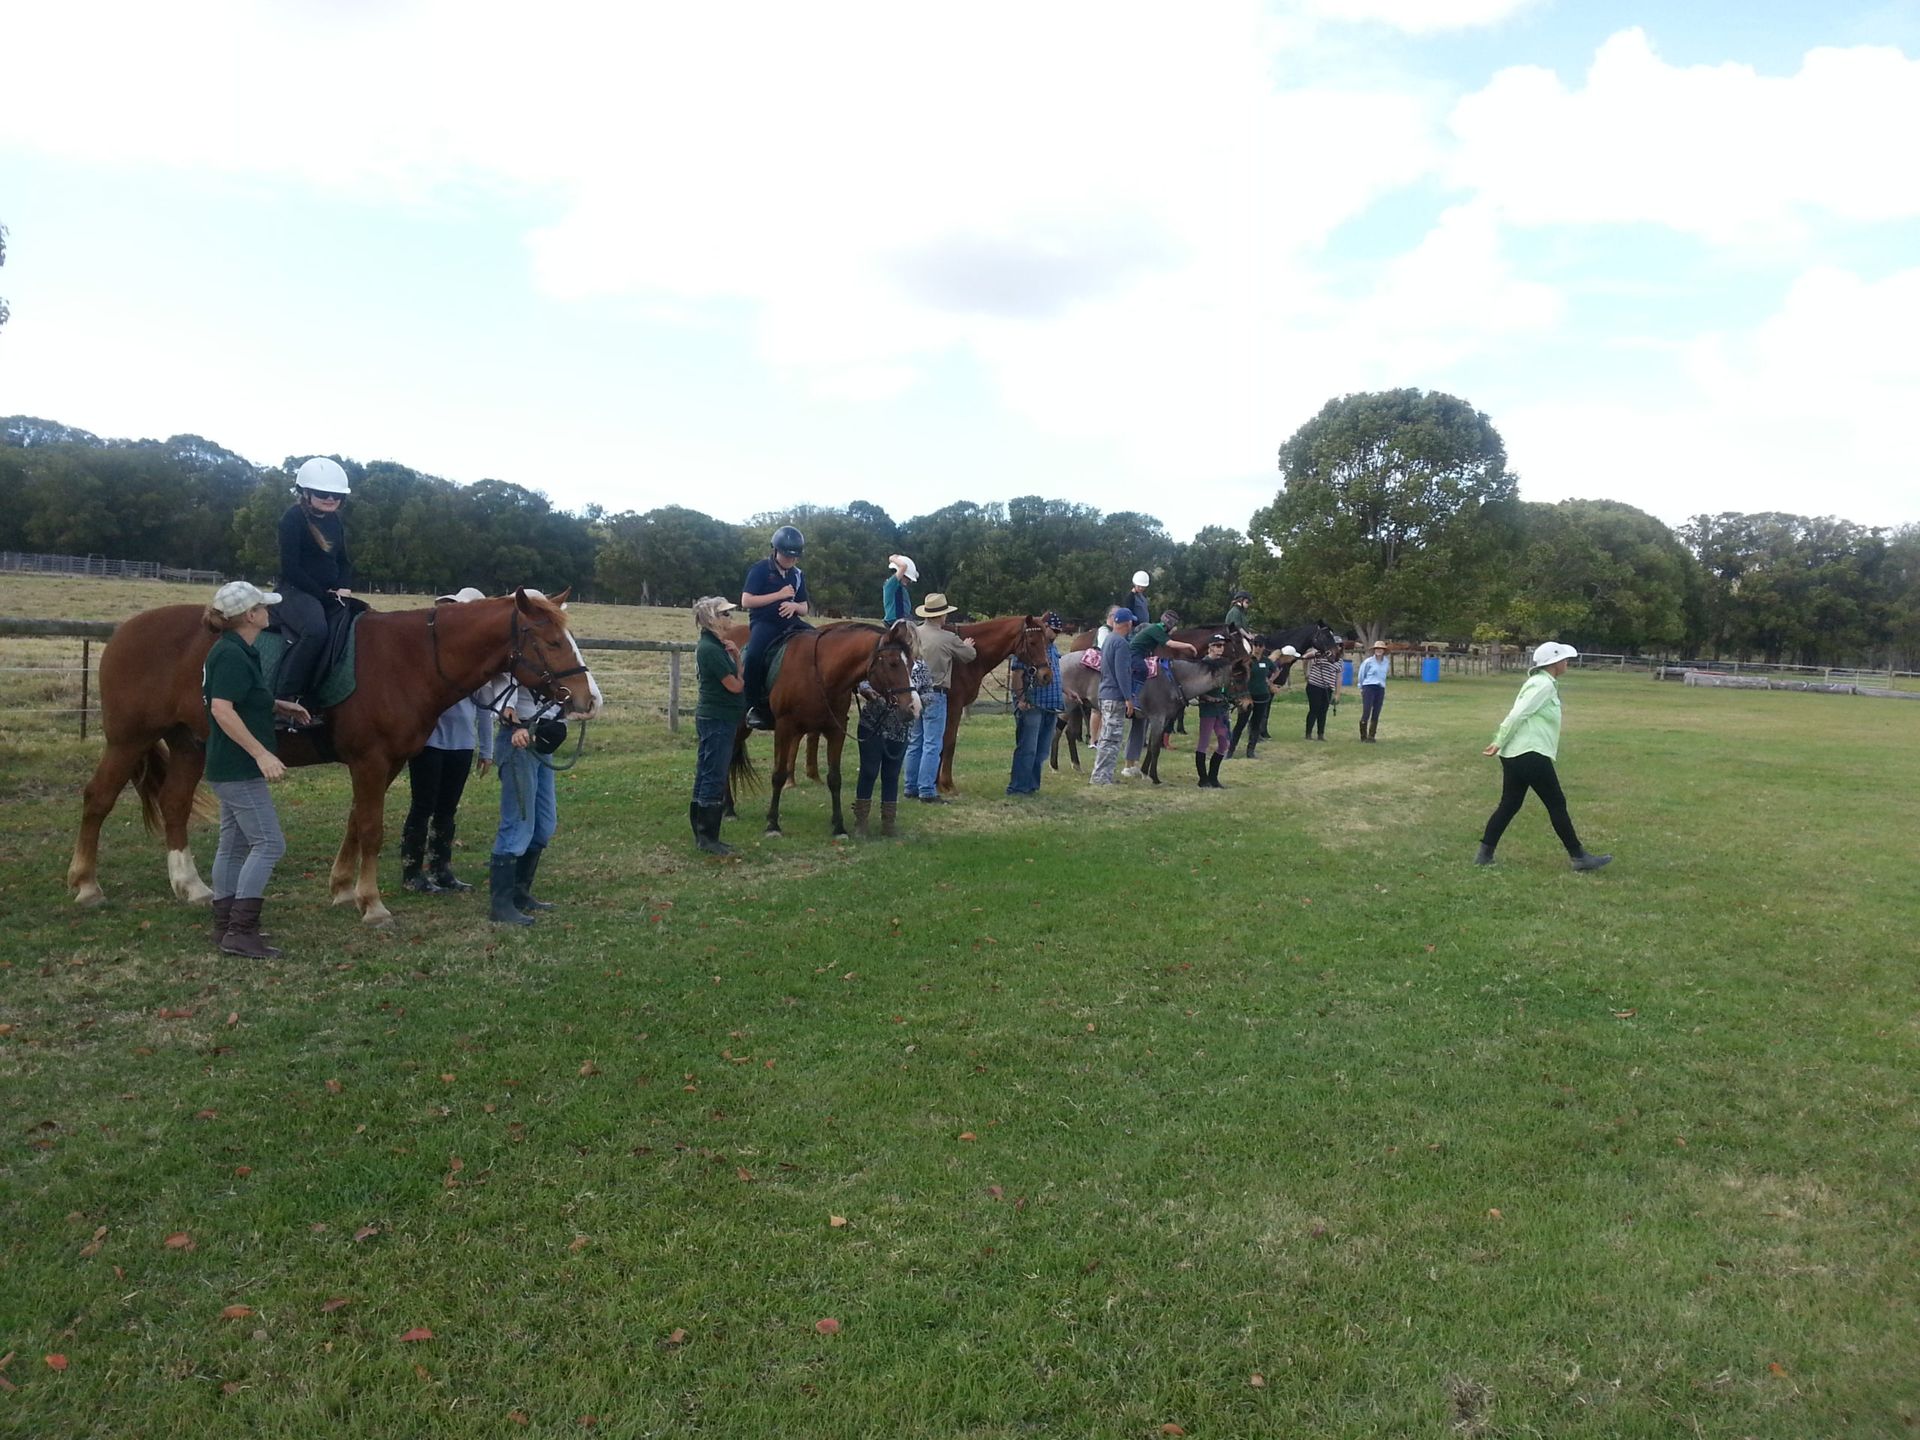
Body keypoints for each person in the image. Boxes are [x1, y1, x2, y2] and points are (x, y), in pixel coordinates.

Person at [201, 581, 311, 957]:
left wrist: (279, 705)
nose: (269, 611)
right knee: (269, 844)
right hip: (238, 767)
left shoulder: (236, 650)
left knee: (232, 846)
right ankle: (241, 931)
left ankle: (225, 926)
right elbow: (221, 708)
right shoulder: (231, 655)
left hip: (227, 766)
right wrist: (261, 753)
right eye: (264, 607)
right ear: (250, 615)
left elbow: (240, 698)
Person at [1477, 642, 1612, 871]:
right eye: (1564, 660)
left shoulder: (1540, 682)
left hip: (1517, 753)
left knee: (1510, 804)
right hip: (1530, 753)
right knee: (1556, 803)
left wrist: (1502, 743)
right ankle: (1579, 857)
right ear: (1554, 663)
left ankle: (1484, 855)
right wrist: (1498, 740)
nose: (1567, 663)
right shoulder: (1543, 685)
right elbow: (1518, 714)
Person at [477, 626, 564, 926]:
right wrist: (514, 725)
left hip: (540, 740)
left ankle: (520, 892)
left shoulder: (544, 658)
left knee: (543, 823)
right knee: (518, 822)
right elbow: (503, 696)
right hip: (519, 741)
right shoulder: (512, 659)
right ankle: (500, 905)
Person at [401, 586, 486, 893]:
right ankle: (412, 872)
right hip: (430, 740)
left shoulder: (475, 659)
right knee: (423, 804)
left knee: (448, 808)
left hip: (462, 742)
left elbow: (484, 706)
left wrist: (484, 747)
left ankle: (441, 867)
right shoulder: (432, 652)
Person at [273, 456, 354, 714]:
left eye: (337, 494)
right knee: (316, 630)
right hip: (295, 592)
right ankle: (285, 697)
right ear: (306, 492)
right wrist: (322, 594)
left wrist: (343, 587)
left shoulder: (335, 520)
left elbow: (343, 561)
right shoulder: (292, 519)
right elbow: (291, 568)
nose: (331, 499)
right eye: (323, 493)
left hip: (328, 593)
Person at [740, 525, 812, 730]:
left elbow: (805, 607)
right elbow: (746, 600)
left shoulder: (797, 575)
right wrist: (779, 595)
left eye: (795, 556)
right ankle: (753, 706)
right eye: (787, 555)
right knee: (753, 656)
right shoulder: (760, 569)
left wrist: (794, 606)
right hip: (765, 622)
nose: (791, 560)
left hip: (791, 623)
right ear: (776, 550)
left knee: (817, 642)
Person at [909, 593, 976, 804]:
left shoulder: (914, 634)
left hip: (913, 693)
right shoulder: (948, 638)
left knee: (915, 742)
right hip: (935, 694)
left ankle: (910, 785)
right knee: (932, 743)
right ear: (942, 616)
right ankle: (927, 790)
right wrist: (968, 644)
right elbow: (969, 656)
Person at [690, 595, 744, 855]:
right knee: (714, 774)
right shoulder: (710, 650)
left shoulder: (714, 646)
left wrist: (735, 656)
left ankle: (702, 832)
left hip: (715, 717)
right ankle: (708, 838)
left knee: (706, 771)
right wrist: (739, 665)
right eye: (724, 614)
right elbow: (735, 685)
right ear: (712, 619)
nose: (729, 618)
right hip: (718, 718)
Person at [1122, 612, 1197, 776]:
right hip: (1134, 655)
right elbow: (1170, 644)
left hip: (1141, 654)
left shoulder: (1156, 630)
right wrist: (1188, 646)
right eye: (1174, 626)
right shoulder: (1156, 630)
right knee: (1142, 670)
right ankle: (1134, 698)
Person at [1007, 611, 1066, 796]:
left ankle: (1032, 785)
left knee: (1041, 751)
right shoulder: (1029, 647)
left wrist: (1067, 690)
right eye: (1054, 630)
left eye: (1058, 631)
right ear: (1044, 627)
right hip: (1033, 704)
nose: (1056, 634)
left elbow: (1055, 673)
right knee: (1028, 748)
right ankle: (1018, 787)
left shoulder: (1053, 649)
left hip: (1051, 705)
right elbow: (1017, 674)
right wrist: (1021, 699)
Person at [853, 662, 915, 838]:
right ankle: (861, 822)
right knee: (869, 771)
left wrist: (916, 702)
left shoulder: (916, 667)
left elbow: (927, 692)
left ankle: (889, 823)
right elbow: (862, 681)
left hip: (900, 728)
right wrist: (868, 692)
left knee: (892, 775)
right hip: (873, 725)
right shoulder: (879, 664)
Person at [1091, 607, 1137, 785]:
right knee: (1111, 739)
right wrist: (1128, 697)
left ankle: (1102, 775)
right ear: (1128, 623)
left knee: (1106, 738)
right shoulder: (1122, 644)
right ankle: (1101, 778)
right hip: (1115, 696)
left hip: (1104, 693)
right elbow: (1122, 673)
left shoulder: (1109, 639)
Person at [1192, 633, 1234, 788]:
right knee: (1203, 742)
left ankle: (1213, 777)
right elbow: (1196, 687)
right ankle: (1203, 779)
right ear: (1210, 647)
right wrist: (1207, 698)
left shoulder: (1224, 663)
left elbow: (1227, 684)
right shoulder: (1203, 664)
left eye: (1222, 645)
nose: (1220, 649)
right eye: (1217, 645)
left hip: (1221, 707)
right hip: (1208, 708)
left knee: (1224, 743)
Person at [1227, 640, 1275, 760]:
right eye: (1255, 645)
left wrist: (1270, 681)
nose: (1257, 648)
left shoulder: (1266, 661)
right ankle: (1230, 750)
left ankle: (1251, 751)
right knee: (1241, 723)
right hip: (1248, 695)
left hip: (1262, 694)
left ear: (1263, 647)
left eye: (1260, 645)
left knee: (1256, 723)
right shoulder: (1247, 660)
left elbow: (1276, 669)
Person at [1303, 643, 1341, 741]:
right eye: (1336, 645)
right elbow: (1305, 658)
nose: (1337, 648)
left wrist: (1337, 693)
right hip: (1314, 686)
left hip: (1327, 688)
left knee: (1323, 711)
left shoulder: (1339, 661)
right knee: (1314, 709)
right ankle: (1308, 733)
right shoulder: (1319, 654)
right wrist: (1306, 673)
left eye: (1340, 646)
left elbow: (1339, 678)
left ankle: (1320, 734)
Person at [1357, 640, 1390, 742]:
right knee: (1366, 711)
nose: (1379, 651)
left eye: (1381, 649)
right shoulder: (1368, 662)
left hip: (1380, 688)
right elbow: (1362, 674)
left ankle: (1372, 736)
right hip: (1369, 686)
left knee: (1376, 711)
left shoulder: (1386, 662)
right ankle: (1363, 736)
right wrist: (1361, 686)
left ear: (1384, 651)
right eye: (1377, 649)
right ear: (1374, 650)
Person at [882, 555, 917, 625]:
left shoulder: (901, 588)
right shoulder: (891, 584)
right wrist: (892, 558)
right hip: (895, 622)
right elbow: (903, 566)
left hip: (905, 620)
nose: (909, 581)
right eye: (907, 578)